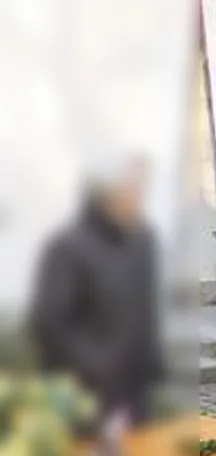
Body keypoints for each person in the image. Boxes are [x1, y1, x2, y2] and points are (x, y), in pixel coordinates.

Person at [28, 154, 164, 429]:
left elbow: (145, 307)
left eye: (141, 190)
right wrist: (98, 366)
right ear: (105, 193)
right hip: (86, 396)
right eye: (130, 190)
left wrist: (150, 363)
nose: (138, 198)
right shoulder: (68, 247)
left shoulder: (143, 241)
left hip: (136, 393)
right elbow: (50, 323)